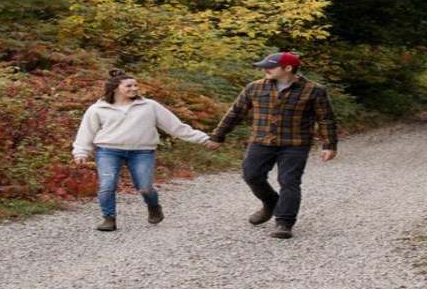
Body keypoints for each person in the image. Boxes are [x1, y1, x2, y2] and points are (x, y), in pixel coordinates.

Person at [209, 51, 337, 239]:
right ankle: (271, 202)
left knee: (289, 181)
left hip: (295, 144)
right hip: (261, 141)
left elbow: (326, 119)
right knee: (251, 175)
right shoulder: (254, 88)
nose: (265, 70)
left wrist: (329, 144)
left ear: (287, 68)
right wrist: (218, 136)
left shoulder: (314, 90)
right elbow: (235, 113)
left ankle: (284, 223)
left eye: (270, 66)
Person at [73, 69, 220, 232]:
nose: (134, 89)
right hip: (108, 151)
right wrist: (81, 152)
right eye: (129, 86)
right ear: (115, 88)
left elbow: (175, 126)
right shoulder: (98, 109)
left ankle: (153, 206)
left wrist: (203, 138)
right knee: (107, 185)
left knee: (145, 187)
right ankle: (109, 218)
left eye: (136, 85)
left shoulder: (150, 106)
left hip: (142, 152)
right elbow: (86, 131)